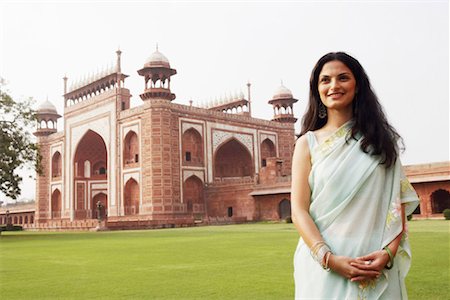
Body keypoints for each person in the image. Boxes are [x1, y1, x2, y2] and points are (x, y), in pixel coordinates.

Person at [291, 52, 419, 299]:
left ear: (357, 86)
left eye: (343, 78)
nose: (334, 86)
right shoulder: (307, 144)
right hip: (323, 266)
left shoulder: (381, 141)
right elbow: (298, 210)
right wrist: (327, 258)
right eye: (325, 80)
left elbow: (398, 204)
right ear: (317, 89)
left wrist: (389, 254)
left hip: (376, 263)